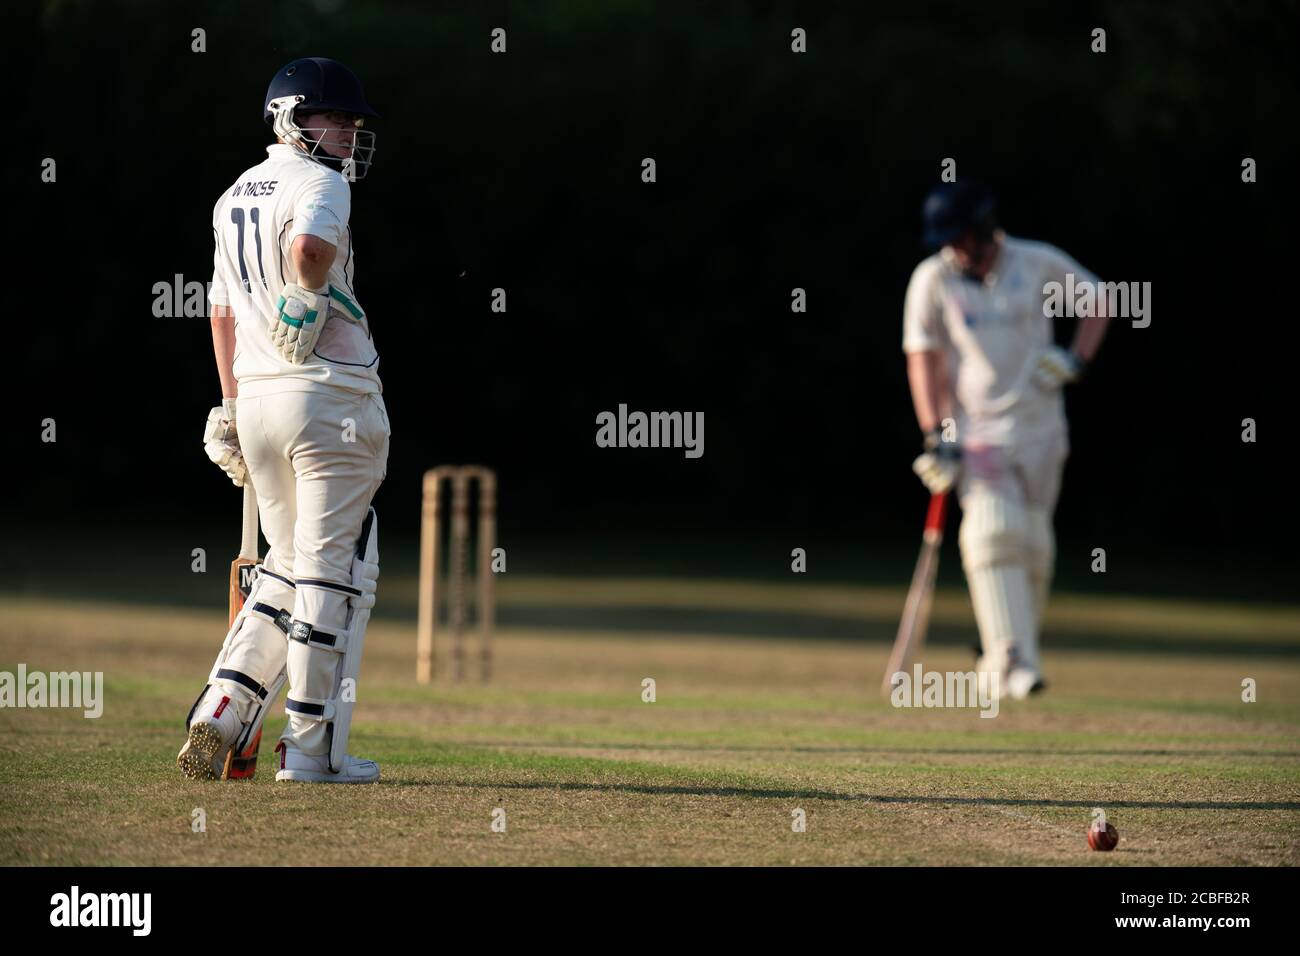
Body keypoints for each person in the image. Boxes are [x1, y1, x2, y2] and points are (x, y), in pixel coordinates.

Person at [178, 57, 390, 783]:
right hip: (329, 398)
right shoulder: (320, 182)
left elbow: (220, 313)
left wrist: (231, 407)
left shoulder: (233, 193)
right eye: (338, 119)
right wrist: (309, 293)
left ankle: (224, 707)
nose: (349, 133)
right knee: (331, 572)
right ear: (292, 117)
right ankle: (309, 749)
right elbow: (307, 251)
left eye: (353, 123)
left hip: (261, 399)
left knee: (285, 567)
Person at [902, 181, 1110, 699]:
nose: (954, 249)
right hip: (977, 433)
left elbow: (1101, 299)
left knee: (1034, 543)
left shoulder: (1034, 264)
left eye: (960, 238)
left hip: (1042, 432)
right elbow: (922, 357)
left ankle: (1003, 654)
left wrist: (1074, 360)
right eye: (946, 241)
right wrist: (936, 434)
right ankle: (1012, 660)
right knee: (993, 531)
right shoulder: (933, 279)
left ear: (984, 228)